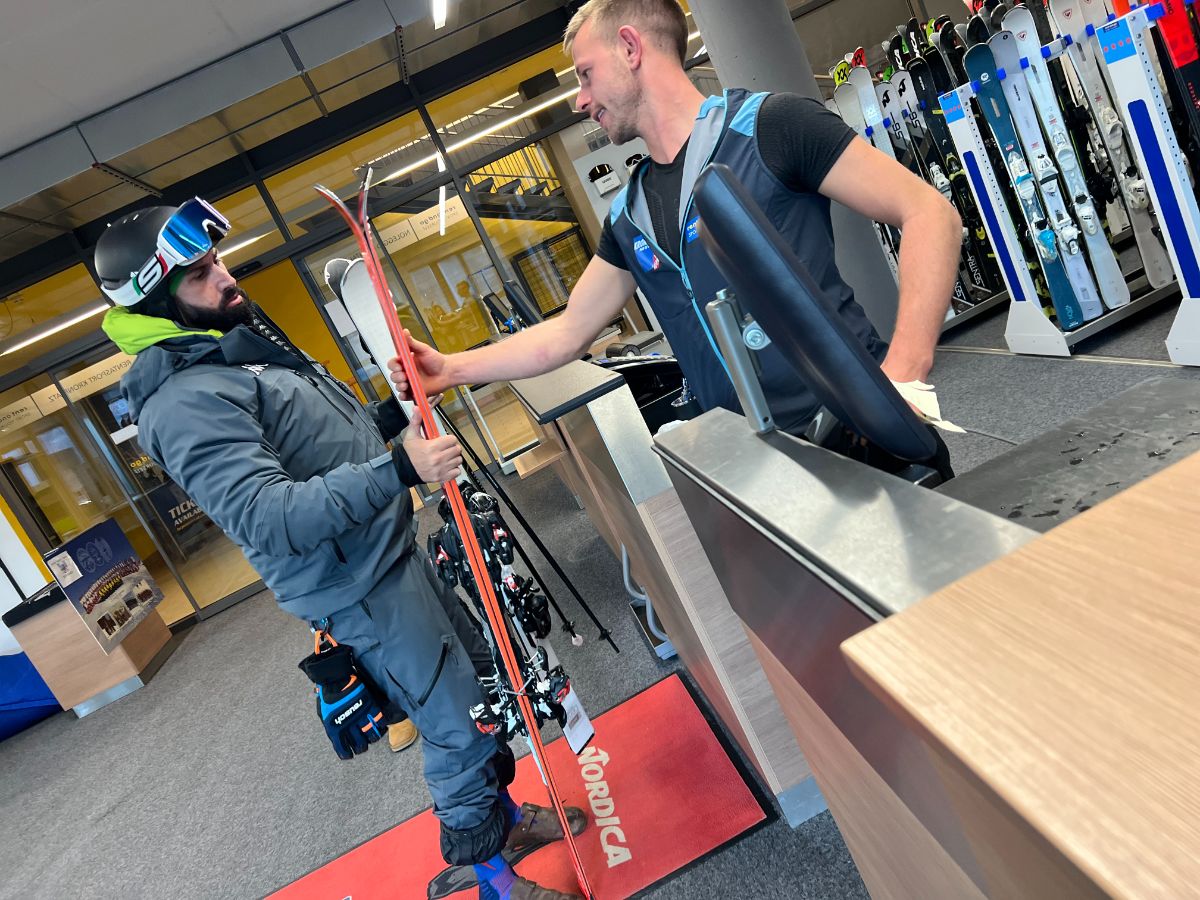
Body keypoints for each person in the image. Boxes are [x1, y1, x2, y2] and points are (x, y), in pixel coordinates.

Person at [94, 200, 585, 900]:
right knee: (456, 730)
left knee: (475, 695)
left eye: (219, 260)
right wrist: (401, 469)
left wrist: (390, 416)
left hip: (387, 553)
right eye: (203, 273)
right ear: (157, 300)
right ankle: (495, 882)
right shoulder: (183, 401)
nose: (227, 278)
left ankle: (505, 822)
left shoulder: (228, 354)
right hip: (363, 591)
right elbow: (271, 516)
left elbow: (315, 449)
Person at [390, 0, 962, 478]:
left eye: (585, 74)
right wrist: (453, 368)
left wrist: (902, 375)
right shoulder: (628, 213)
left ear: (632, 49)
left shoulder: (769, 127)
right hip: (762, 471)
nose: (579, 99)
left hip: (860, 439)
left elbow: (929, 214)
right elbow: (566, 332)